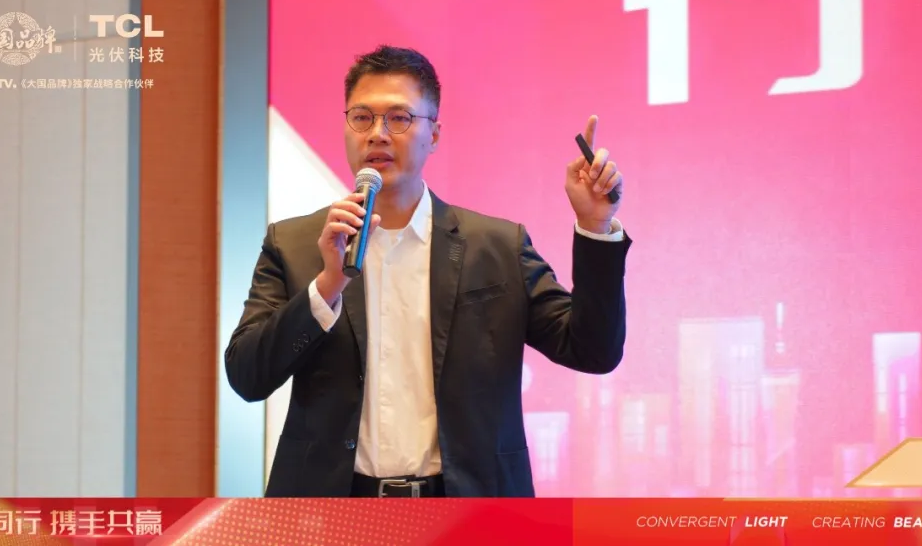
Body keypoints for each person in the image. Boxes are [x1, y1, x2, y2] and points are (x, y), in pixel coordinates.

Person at [225, 45, 631, 498]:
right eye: (362, 117)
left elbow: (593, 351)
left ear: (434, 134)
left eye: (399, 118)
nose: (377, 134)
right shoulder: (295, 244)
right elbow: (247, 376)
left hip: (467, 509)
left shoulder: (497, 246)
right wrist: (327, 287)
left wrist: (595, 227)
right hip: (334, 511)